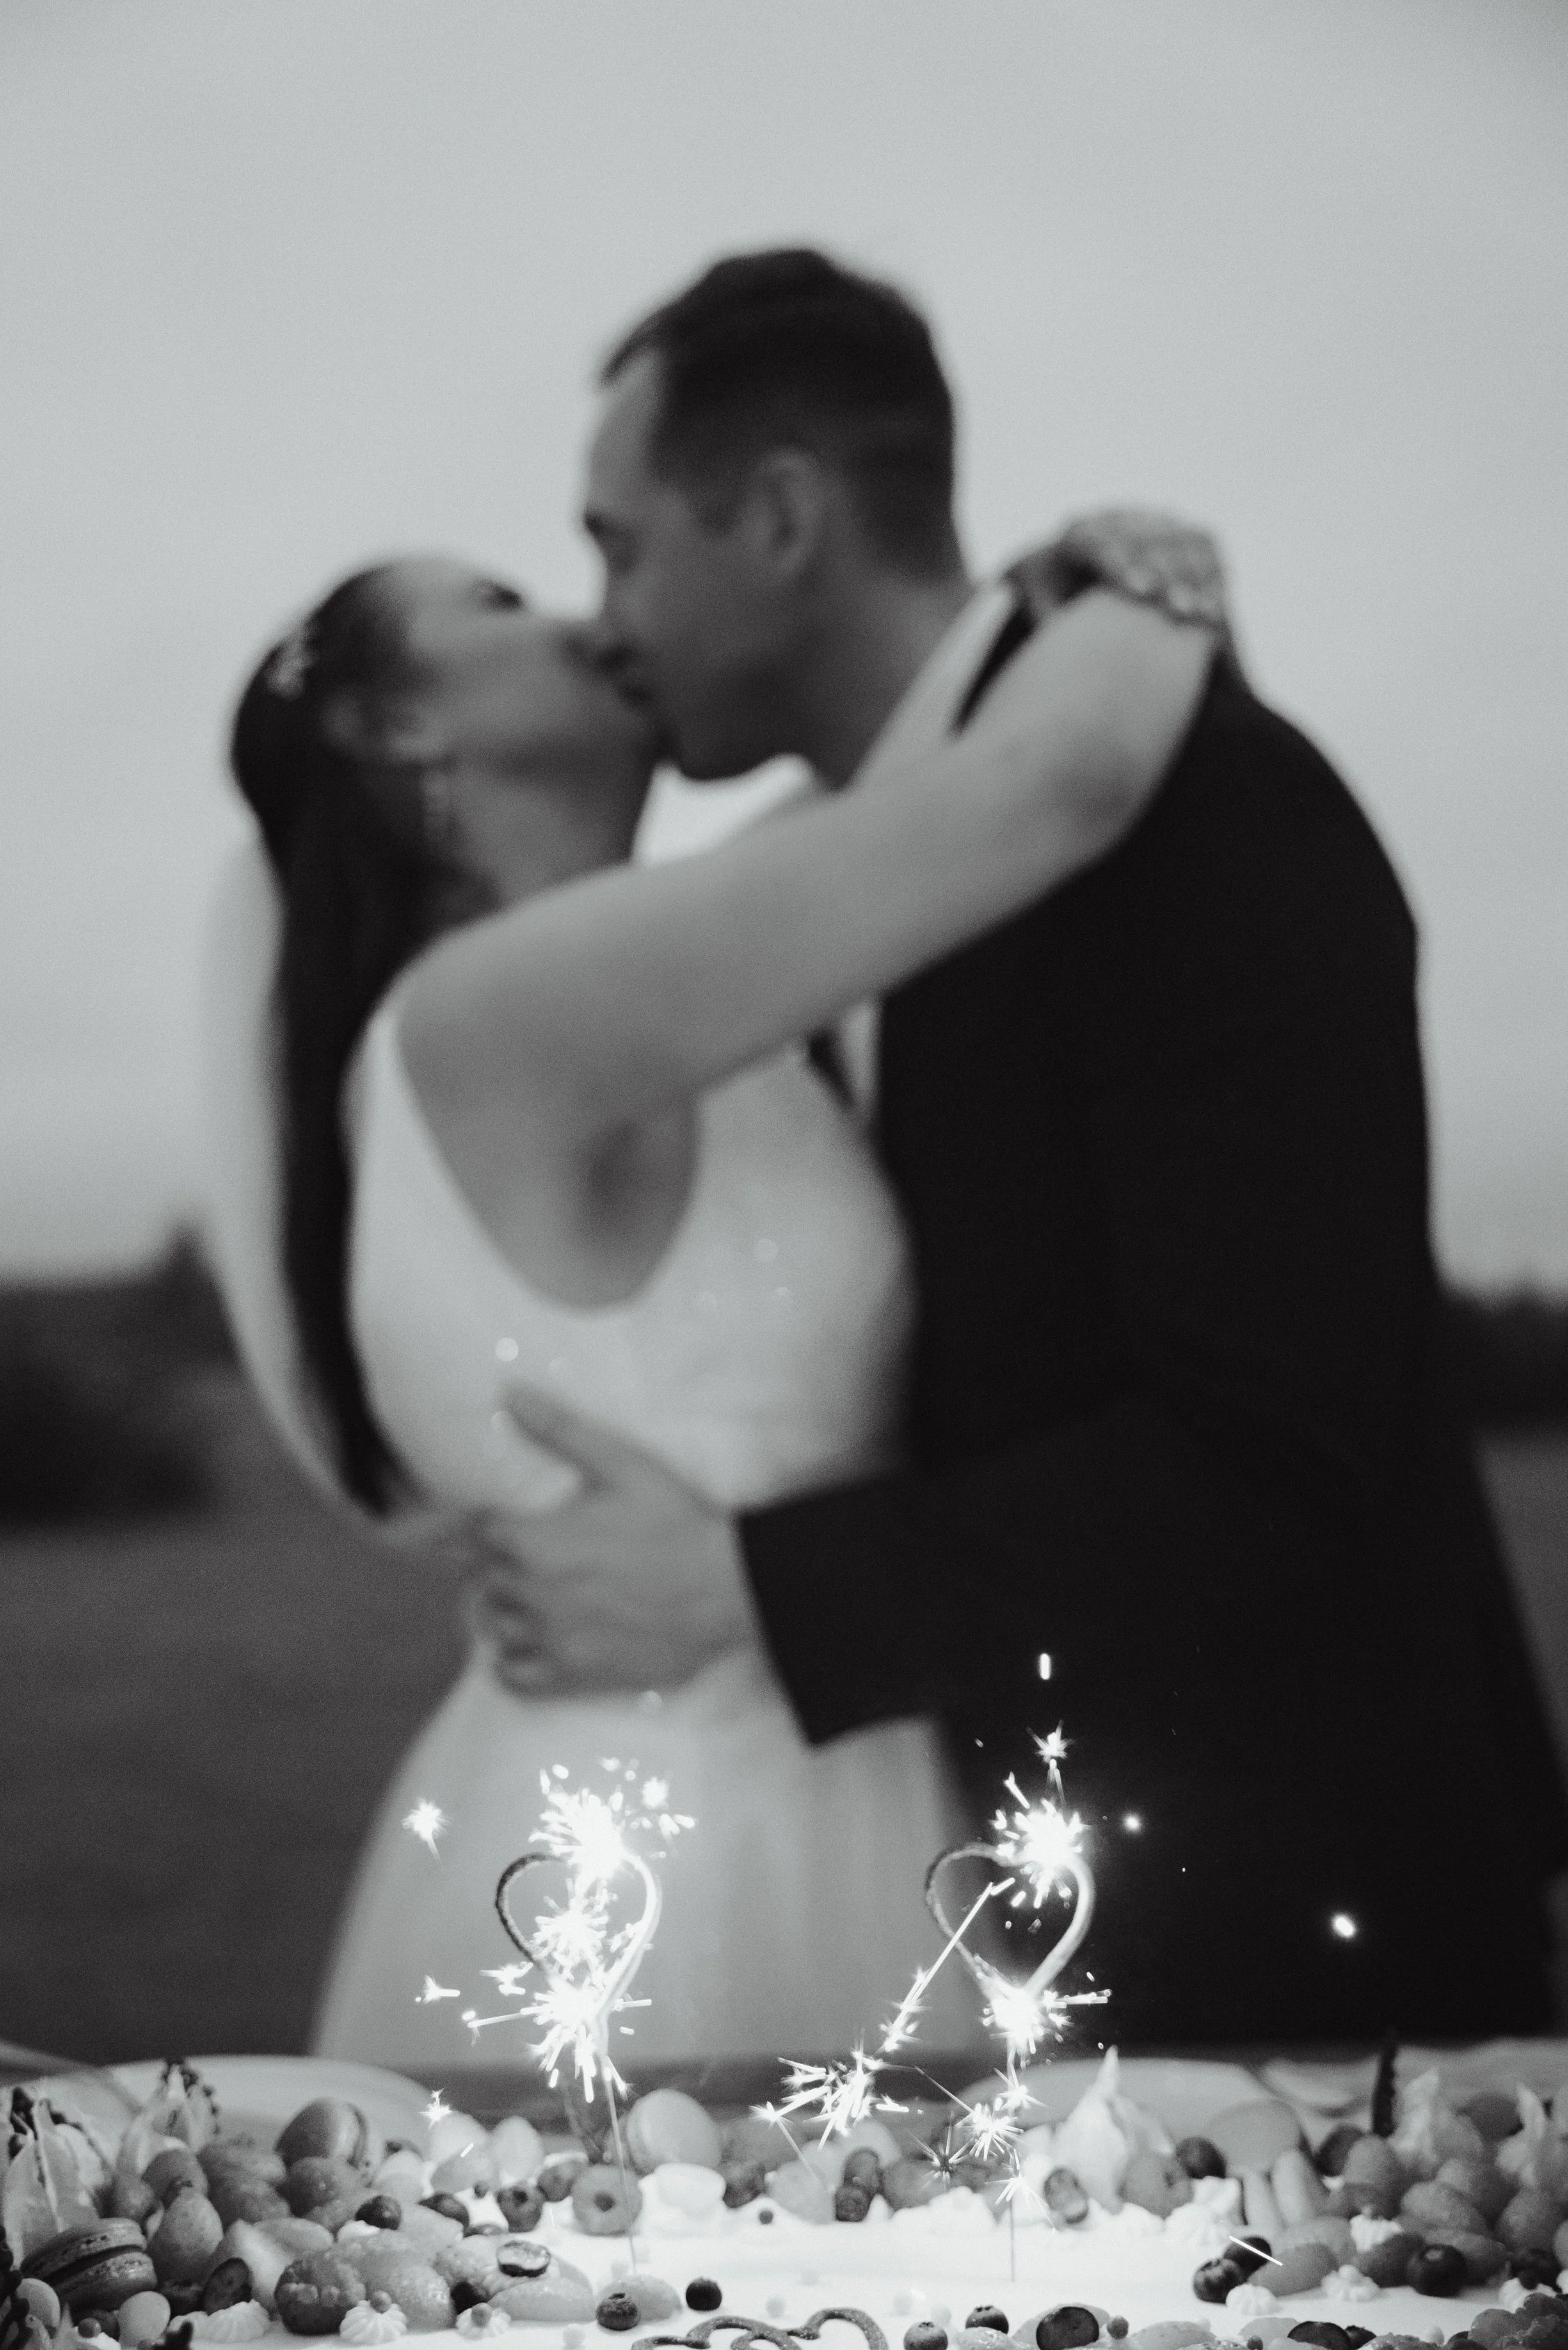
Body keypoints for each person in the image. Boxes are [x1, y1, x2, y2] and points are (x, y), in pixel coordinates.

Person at [468, 248, 1568, 2044]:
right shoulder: (853, 869)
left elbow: (1271, 1441)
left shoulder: (1201, 812)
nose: (605, 618)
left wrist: (742, 1581)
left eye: (621, 542)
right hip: (1025, 1896)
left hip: (1299, 1918)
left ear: (777, 515)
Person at [203, 509, 1216, 2070]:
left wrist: (1020, 599)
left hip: (858, 1777)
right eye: (498, 603)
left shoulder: (679, 964)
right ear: (391, 720)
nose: (578, 620)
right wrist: (1148, 597)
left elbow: (920, 759)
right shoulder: (492, 1015)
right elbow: (1052, 783)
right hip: (656, 1872)